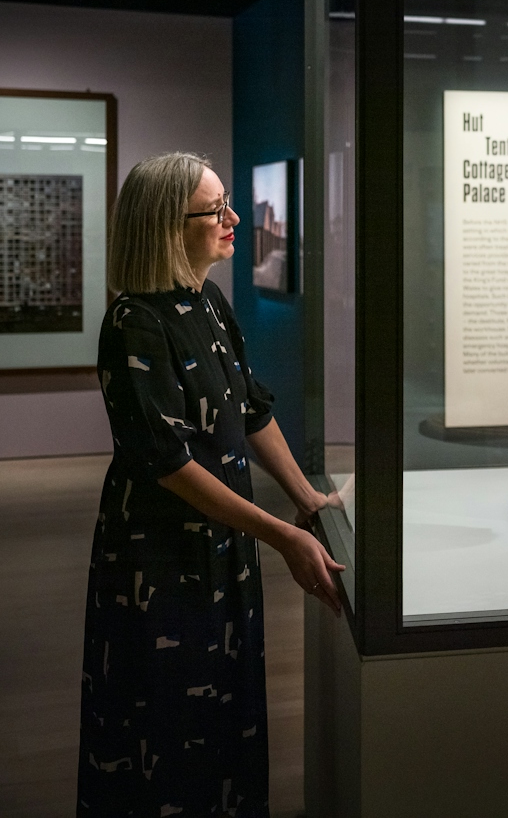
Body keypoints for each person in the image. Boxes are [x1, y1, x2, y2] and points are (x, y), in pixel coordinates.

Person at [77, 153, 343, 816]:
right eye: (215, 209)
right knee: (165, 719)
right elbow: (168, 462)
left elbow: (249, 409)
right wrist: (282, 533)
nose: (233, 220)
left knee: (224, 707)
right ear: (170, 225)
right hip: (160, 558)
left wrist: (305, 498)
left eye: (228, 204)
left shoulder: (209, 300)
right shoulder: (134, 322)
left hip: (222, 548)